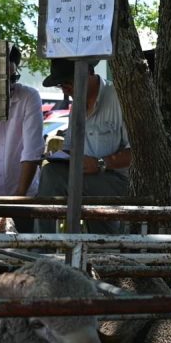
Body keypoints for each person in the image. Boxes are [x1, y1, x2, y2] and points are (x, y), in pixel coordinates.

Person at [31, 59, 131, 234]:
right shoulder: (77, 103)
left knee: (52, 175)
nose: (65, 90)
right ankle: (46, 240)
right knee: (51, 170)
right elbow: (70, 147)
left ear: (89, 73)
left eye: (68, 83)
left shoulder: (119, 98)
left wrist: (100, 163)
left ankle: (43, 243)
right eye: (61, 85)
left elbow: (137, 153)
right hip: (84, 178)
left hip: (117, 180)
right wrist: (59, 156)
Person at [0, 45, 45, 232]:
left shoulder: (29, 97)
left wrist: (18, 202)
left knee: (23, 243)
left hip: (23, 190)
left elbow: (32, 151)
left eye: (12, 78)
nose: (8, 86)